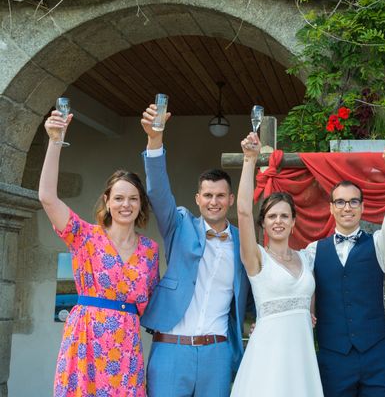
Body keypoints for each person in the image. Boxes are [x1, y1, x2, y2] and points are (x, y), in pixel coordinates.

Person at [39, 110, 159, 396]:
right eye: (118, 198)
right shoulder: (85, 236)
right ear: (107, 200)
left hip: (126, 346)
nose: (125, 205)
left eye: (133, 199)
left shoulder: (149, 251)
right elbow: (47, 197)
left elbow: (153, 304)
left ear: (141, 204)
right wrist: (55, 141)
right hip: (85, 339)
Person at [140, 104, 251, 397]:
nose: (214, 201)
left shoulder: (244, 241)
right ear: (198, 199)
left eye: (220, 196)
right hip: (170, 349)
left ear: (230, 199)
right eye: (208, 195)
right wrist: (154, 141)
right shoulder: (179, 225)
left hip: (217, 352)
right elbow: (158, 193)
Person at [307, 146, 385, 397]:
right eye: (340, 202)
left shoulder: (378, 245)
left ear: (362, 207)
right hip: (333, 357)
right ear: (331, 208)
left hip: (376, 355)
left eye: (353, 201)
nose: (347, 207)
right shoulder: (312, 251)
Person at [230, 132, 323, 396]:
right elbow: (244, 210)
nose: (278, 221)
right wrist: (250, 160)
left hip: (302, 354)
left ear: (294, 222)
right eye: (271, 216)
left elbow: (308, 296)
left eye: (284, 216)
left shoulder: (307, 257)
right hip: (268, 356)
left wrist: (310, 312)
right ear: (264, 223)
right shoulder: (256, 257)